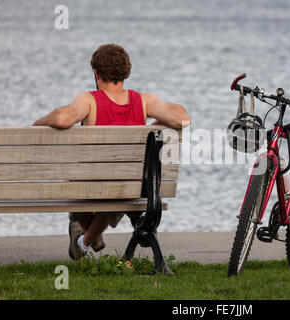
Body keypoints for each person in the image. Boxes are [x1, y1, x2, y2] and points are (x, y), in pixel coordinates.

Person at [33, 43, 190, 259]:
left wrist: (38, 123)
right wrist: (152, 126)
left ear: (96, 73)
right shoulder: (143, 100)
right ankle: (87, 238)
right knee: (118, 189)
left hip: (89, 187)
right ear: (126, 73)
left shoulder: (89, 100)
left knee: (97, 187)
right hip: (130, 187)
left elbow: (62, 119)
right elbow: (183, 118)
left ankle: (83, 237)